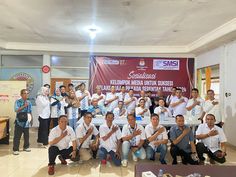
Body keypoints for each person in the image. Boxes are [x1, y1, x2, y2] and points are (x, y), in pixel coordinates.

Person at [13, 89, 32, 155]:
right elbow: (16, 110)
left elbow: (30, 111)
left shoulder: (29, 102)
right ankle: (15, 149)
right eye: (24, 93)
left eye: (27, 93)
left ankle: (26, 147)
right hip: (19, 122)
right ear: (21, 94)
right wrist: (24, 106)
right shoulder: (18, 101)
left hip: (26, 122)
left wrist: (31, 119)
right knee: (17, 137)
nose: (26, 94)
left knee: (26, 136)